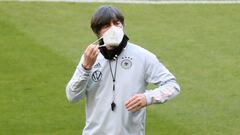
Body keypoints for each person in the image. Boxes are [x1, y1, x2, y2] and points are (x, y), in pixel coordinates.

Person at [66, 5, 180, 135]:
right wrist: (85, 68)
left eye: (117, 23)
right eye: (106, 26)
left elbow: (172, 85)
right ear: (98, 32)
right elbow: (72, 96)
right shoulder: (90, 58)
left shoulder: (142, 56)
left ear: (123, 26)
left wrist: (148, 97)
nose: (113, 29)